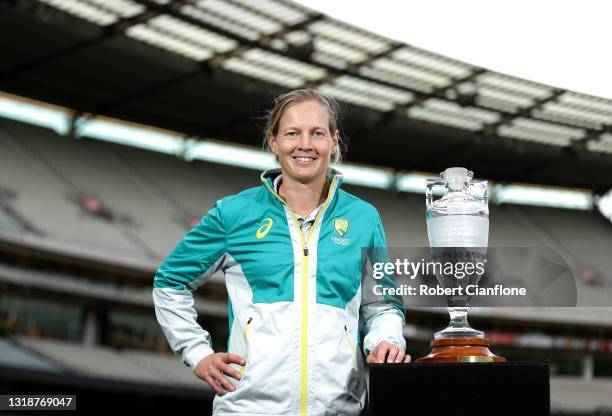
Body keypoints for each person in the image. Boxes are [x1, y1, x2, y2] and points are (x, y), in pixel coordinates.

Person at [153, 88, 409, 416]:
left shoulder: (363, 219)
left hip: (340, 410)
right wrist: (197, 353)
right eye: (292, 133)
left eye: (317, 133)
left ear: (334, 141)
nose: (305, 144)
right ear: (273, 141)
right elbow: (169, 282)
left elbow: (383, 304)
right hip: (247, 409)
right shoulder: (233, 215)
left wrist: (386, 342)